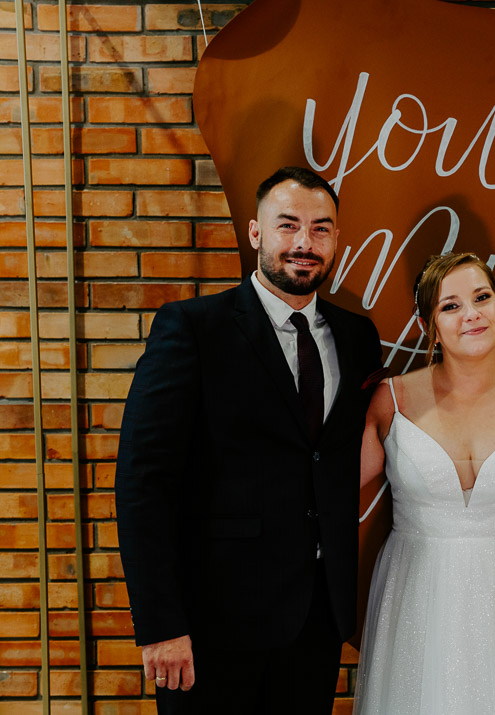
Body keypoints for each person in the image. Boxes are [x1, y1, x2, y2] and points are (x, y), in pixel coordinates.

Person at [115, 166, 384, 714]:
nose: (304, 242)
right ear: (255, 232)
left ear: (336, 239)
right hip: (212, 623)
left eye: (321, 229)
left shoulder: (358, 337)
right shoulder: (192, 328)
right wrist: (161, 624)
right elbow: (143, 484)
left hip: (315, 619)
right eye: (288, 225)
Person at [353, 253, 495, 715]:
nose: (472, 314)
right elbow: (334, 489)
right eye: (450, 306)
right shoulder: (391, 400)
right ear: (430, 327)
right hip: (418, 593)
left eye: (482, 298)